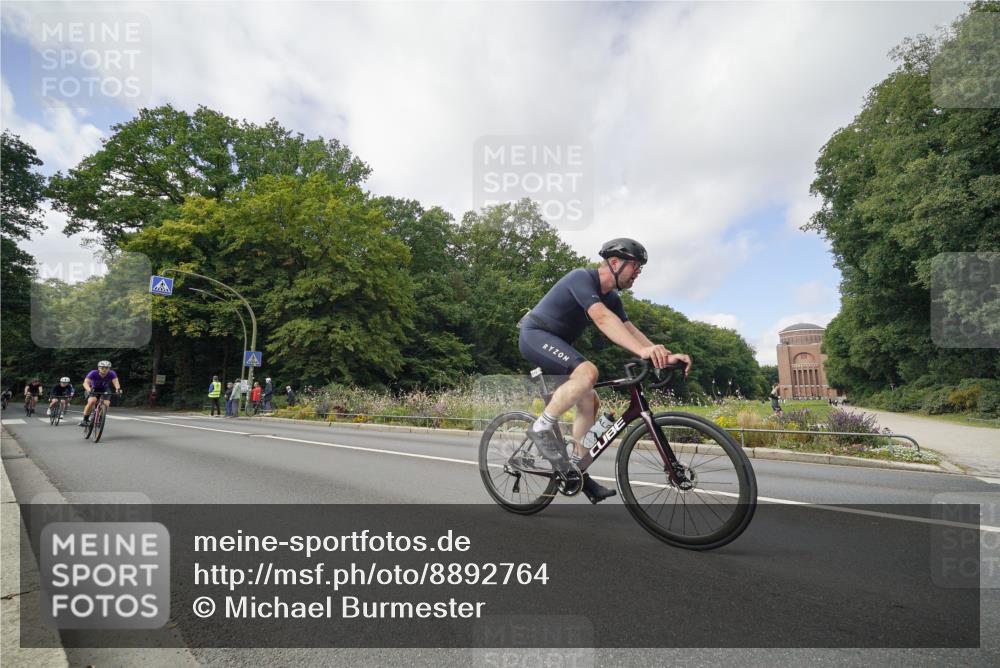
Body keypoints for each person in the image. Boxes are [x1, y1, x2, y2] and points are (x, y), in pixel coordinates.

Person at [519, 238, 691, 504]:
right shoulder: (581, 278)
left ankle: (576, 470)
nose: (637, 273)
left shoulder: (612, 298)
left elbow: (629, 329)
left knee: (591, 400)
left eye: (640, 269)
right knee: (589, 372)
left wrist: (664, 355)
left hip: (559, 344)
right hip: (535, 334)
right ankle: (541, 428)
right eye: (634, 266)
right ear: (614, 262)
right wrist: (643, 352)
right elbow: (602, 318)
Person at [79, 361, 122, 426]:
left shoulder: (112, 373)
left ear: (109, 369)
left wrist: (118, 389)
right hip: (93, 388)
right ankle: (85, 419)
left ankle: (101, 419)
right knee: (92, 401)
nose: (104, 369)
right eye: (102, 368)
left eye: (106, 368)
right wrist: (89, 389)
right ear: (98, 368)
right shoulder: (93, 373)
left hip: (104, 389)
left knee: (106, 403)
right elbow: (85, 382)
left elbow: (116, 382)